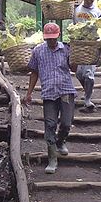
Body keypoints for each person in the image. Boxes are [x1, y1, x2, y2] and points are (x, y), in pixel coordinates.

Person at [23, 22, 76, 174]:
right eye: (48, 39)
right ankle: (52, 159)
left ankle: (61, 141)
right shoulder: (38, 51)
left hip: (65, 91)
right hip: (48, 93)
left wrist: (76, 57)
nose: (51, 41)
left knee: (66, 122)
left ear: (58, 36)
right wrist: (29, 93)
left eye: (53, 38)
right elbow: (34, 72)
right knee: (50, 125)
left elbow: (74, 68)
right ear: (44, 38)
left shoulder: (66, 49)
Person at [74, 0, 101, 109]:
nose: (88, 1)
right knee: (79, 74)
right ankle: (87, 92)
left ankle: (88, 100)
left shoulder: (98, 12)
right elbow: (74, 25)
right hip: (80, 46)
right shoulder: (77, 10)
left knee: (89, 75)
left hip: (92, 46)